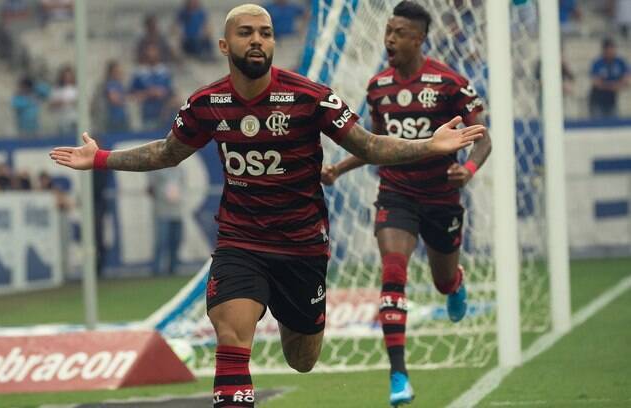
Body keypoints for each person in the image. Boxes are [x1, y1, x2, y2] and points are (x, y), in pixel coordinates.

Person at [49, 4, 484, 407]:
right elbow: (167, 152)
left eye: (265, 33)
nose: (257, 40)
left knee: (302, 359)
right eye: (245, 33)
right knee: (231, 337)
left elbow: (368, 145)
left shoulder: (310, 97)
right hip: (241, 242)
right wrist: (101, 158)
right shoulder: (207, 103)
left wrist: (428, 144)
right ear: (225, 46)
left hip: (303, 248)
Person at [321, 2, 491, 406]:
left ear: (419, 39)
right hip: (396, 195)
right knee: (392, 272)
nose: (389, 39)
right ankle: (398, 375)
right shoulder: (378, 87)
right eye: (388, 31)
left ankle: (455, 284)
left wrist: (467, 168)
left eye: (399, 33)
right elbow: (376, 145)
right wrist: (339, 169)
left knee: (441, 280)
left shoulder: (450, 83)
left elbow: (482, 138)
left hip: (442, 198)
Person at [148, 166, 185, 276]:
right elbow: (150, 189)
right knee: (161, 241)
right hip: (162, 211)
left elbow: (183, 186)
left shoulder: (181, 170)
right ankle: (156, 269)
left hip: (178, 211)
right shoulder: (157, 170)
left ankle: (173, 268)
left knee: (176, 240)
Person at [130, 44, 176, 130]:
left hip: (163, 112)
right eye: (150, 51)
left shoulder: (164, 71)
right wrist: (147, 93)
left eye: (154, 51)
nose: (152, 54)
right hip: (146, 112)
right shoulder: (139, 73)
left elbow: (171, 91)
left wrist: (162, 92)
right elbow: (132, 93)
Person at [588, 38, 630, 119]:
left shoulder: (620, 62)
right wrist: (614, 85)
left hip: (612, 99)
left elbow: (627, 80)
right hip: (597, 99)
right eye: (609, 49)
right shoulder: (598, 63)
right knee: (598, 122)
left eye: (613, 49)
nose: (611, 52)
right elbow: (596, 83)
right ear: (604, 50)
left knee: (613, 122)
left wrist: (607, 85)